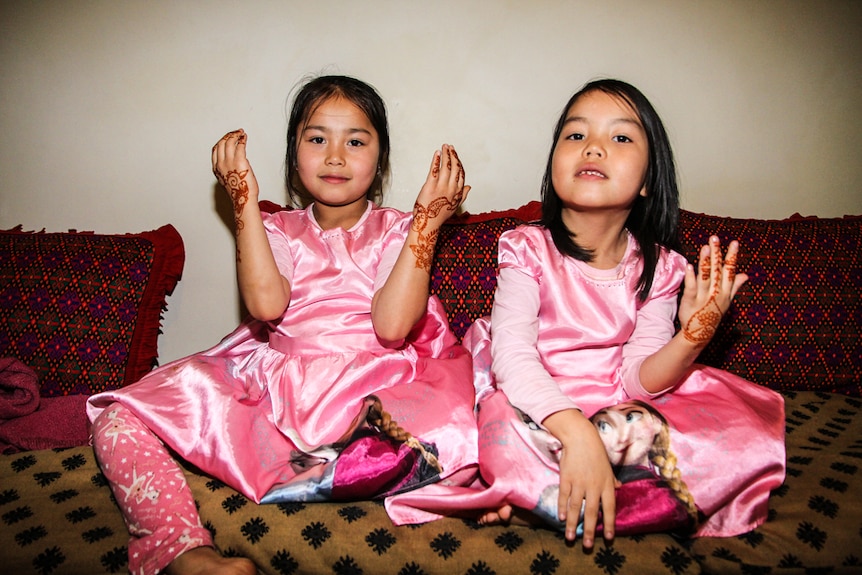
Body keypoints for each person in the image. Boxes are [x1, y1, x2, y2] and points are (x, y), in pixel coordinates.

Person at [86, 75, 477, 575]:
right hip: (279, 389)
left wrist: (425, 224)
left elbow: (393, 324)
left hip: (373, 394)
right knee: (119, 417)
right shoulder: (279, 229)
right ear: (294, 158)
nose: (335, 156)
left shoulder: (398, 229)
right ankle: (183, 550)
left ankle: (367, 473)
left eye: (355, 141)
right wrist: (244, 202)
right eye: (317, 139)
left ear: (379, 162)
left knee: (479, 427)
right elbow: (267, 307)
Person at [385, 78, 785, 551]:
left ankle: (548, 495)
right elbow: (512, 357)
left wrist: (692, 338)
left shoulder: (662, 268)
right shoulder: (526, 247)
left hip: (614, 409)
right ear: (554, 160)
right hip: (530, 400)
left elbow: (639, 380)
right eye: (576, 135)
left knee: (738, 442)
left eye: (620, 137)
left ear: (648, 180)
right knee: (491, 431)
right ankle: (555, 485)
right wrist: (576, 434)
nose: (593, 147)